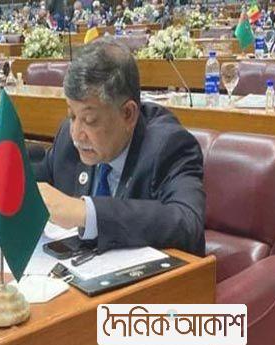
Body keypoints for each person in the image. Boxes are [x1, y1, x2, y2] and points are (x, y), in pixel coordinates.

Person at [34, 38, 206, 256]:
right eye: (72, 115)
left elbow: (188, 223)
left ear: (128, 114)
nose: (76, 133)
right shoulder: (68, 141)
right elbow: (35, 185)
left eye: (89, 120)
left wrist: (87, 212)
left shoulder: (169, 145)